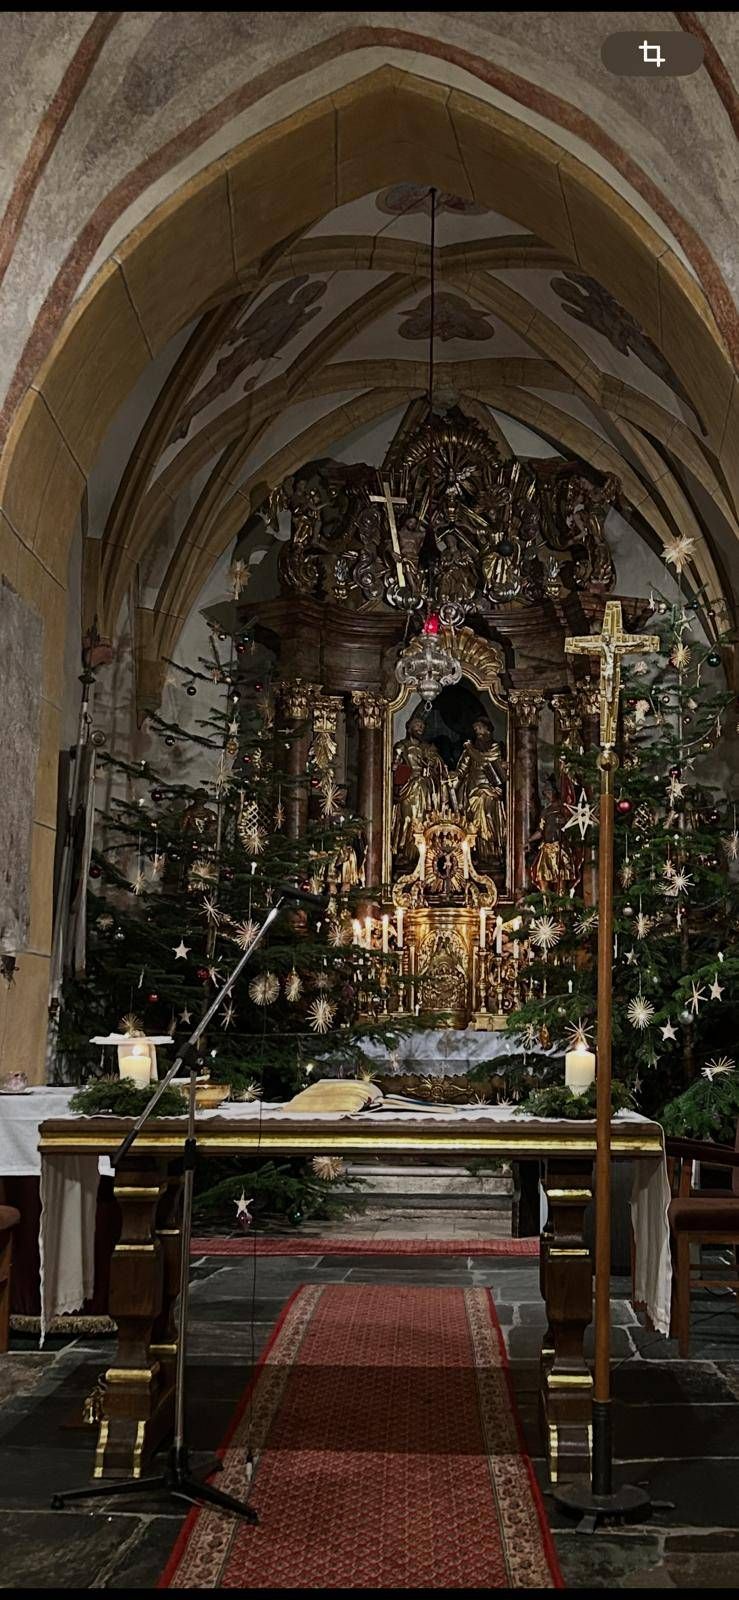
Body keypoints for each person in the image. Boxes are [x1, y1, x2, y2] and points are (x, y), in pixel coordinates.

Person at [455, 719, 507, 861]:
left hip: (490, 788)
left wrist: (470, 749)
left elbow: (485, 760)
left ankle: (491, 851)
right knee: (472, 820)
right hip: (472, 788)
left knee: (487, 816)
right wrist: (452, 778)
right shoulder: (470, 750)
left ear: (488, 730)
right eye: (475, 729)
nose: (477, 731)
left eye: (479, 728)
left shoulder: (494, 747)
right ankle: (475, 852)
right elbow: (462, 770)